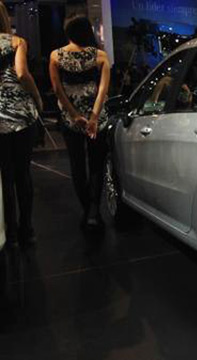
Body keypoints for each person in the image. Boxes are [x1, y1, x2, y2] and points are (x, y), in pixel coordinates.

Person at [49, 15, 111, 229]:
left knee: (77, 165)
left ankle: (87, 210)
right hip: (97, 119)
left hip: (70, 118)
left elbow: (57, 89)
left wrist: (74, 115)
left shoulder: (56, 56)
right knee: (96, 164)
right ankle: (94, 210)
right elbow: (103, 90)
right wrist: (93, 117)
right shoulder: (100, 56)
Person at [0, 1, 43, 247]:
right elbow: (21, 73)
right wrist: (37, 98)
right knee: (22, 174)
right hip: (19, 117)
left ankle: (11, 233)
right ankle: (27, 229)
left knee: (3, 177)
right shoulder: (17, 42)